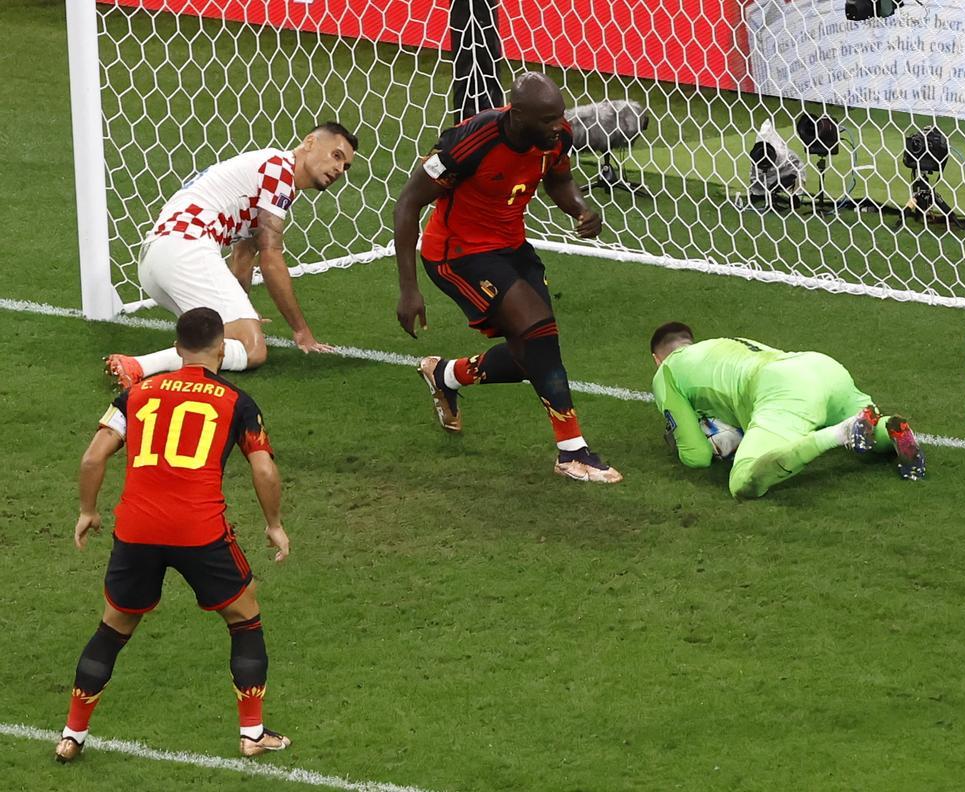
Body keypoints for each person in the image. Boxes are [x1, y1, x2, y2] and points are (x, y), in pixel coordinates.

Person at [57, 308, 292, 762]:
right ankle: (252, 733)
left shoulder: (137, 393)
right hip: (199, 530)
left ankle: (72, 735)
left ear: (178, 348)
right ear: (221, 348)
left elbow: (92, 459)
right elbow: (263, 467)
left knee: (112, 628)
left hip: (137, 529)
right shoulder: (236, 401)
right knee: (244, 618)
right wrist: (275, 525)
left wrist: (88, 510)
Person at [392, 72, 621, 484]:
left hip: (511, 248)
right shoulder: (469, 141)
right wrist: (409, 288)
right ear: (518, 116)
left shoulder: (557, 136)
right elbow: (407, 205)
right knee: (540, 332)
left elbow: (559, 179)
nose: (560, 125)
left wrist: (581, 210)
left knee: (527, 355)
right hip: (456, 254)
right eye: (549, 118)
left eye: (561, 116)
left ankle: (444, 374)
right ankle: (572, 452)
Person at [104, 122, 359, 389]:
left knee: (224, 340)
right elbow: (271, 258)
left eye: (346, 166)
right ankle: (140, 365)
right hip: (185, 249)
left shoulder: (269, 170)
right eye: (336, 156)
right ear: (309, 143)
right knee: (253, 350)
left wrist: (242, 308)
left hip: (155, 262)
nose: (339, 169)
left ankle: (149, 364)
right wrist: (302, 332)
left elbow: (245, 252)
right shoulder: (279, 170)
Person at [649, 322, 926, 499]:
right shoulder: (722, 342)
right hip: (822, 368)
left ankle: (838, 433)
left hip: (783, 389)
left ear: (656, 359)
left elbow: (696, 456)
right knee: (868, 426)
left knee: (742, 482)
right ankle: (889, 428)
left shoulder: (668, 371)